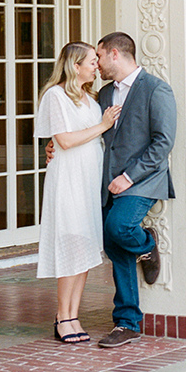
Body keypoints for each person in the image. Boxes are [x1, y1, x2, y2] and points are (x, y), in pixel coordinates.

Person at [35, 42, 121, 343]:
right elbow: (65, 140)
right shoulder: (56, 96)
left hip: (89, 179)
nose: (96, 65)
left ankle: (74, 314)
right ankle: (62, 316)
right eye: (91, 61)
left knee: (84, 246)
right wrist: (103, 125)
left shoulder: (91, 98)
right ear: (75, 66)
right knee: (70, 244)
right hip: (68, 179)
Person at [95, 31, 176, 349]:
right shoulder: (103, 94)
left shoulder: (157, 89)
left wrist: (129, 177)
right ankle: (126, 323)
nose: (97, 63)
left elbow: (163, 142)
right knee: (112, 244)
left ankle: (146, 242)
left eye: (99, 56)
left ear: (115, 53)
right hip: (106, 183)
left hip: (142, 181)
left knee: (119, 228)